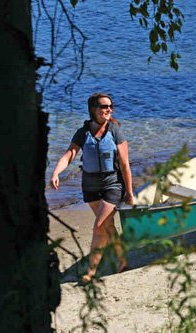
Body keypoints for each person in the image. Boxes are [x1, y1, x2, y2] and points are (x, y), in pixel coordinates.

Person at [50, 92, 134, 283]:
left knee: (98, 226)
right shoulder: (83, 132)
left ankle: (91, 271)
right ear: (93, 110)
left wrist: (129, 192)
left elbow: (124, 164)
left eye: (110, 106)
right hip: (90, 186)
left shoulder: (115, 131)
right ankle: (122, 259)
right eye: (104, 106)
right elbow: (69, 155)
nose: (109, 110)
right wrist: (56, 173)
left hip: (112, 184)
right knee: (107, 226)